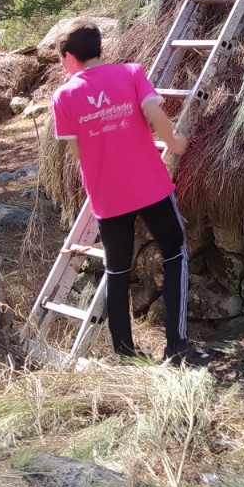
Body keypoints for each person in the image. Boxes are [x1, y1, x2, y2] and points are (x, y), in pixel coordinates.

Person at [51, 23, 214, 367]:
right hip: (150, 186)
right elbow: (155, 115)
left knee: (117, 271)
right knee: (174, 253)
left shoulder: (63, 97)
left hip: (108, 197)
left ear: (69, 57)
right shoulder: (130, 73)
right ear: (99, 48)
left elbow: (76, 154)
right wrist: (175, 144)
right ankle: (177, 346)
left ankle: (125, 352)